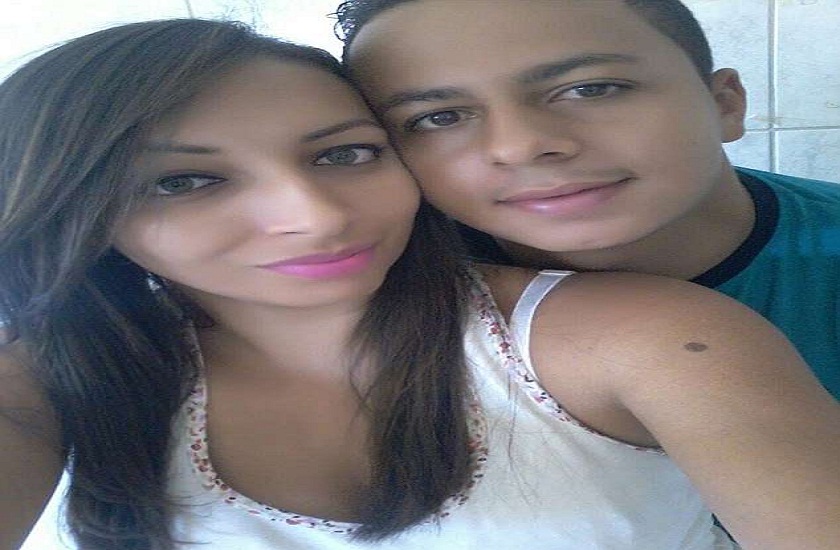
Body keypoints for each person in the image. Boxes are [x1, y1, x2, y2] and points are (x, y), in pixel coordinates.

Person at [1, 18, 839, 550]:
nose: (314, 217)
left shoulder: (646, 335)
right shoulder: (53, 375)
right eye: (184, 181)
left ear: (725, 102)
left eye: (343, 154)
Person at [335, 0, 840, 401]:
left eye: (590, 89)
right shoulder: (370, 291)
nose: (520, 146)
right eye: (439, 118)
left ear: (725, 103)